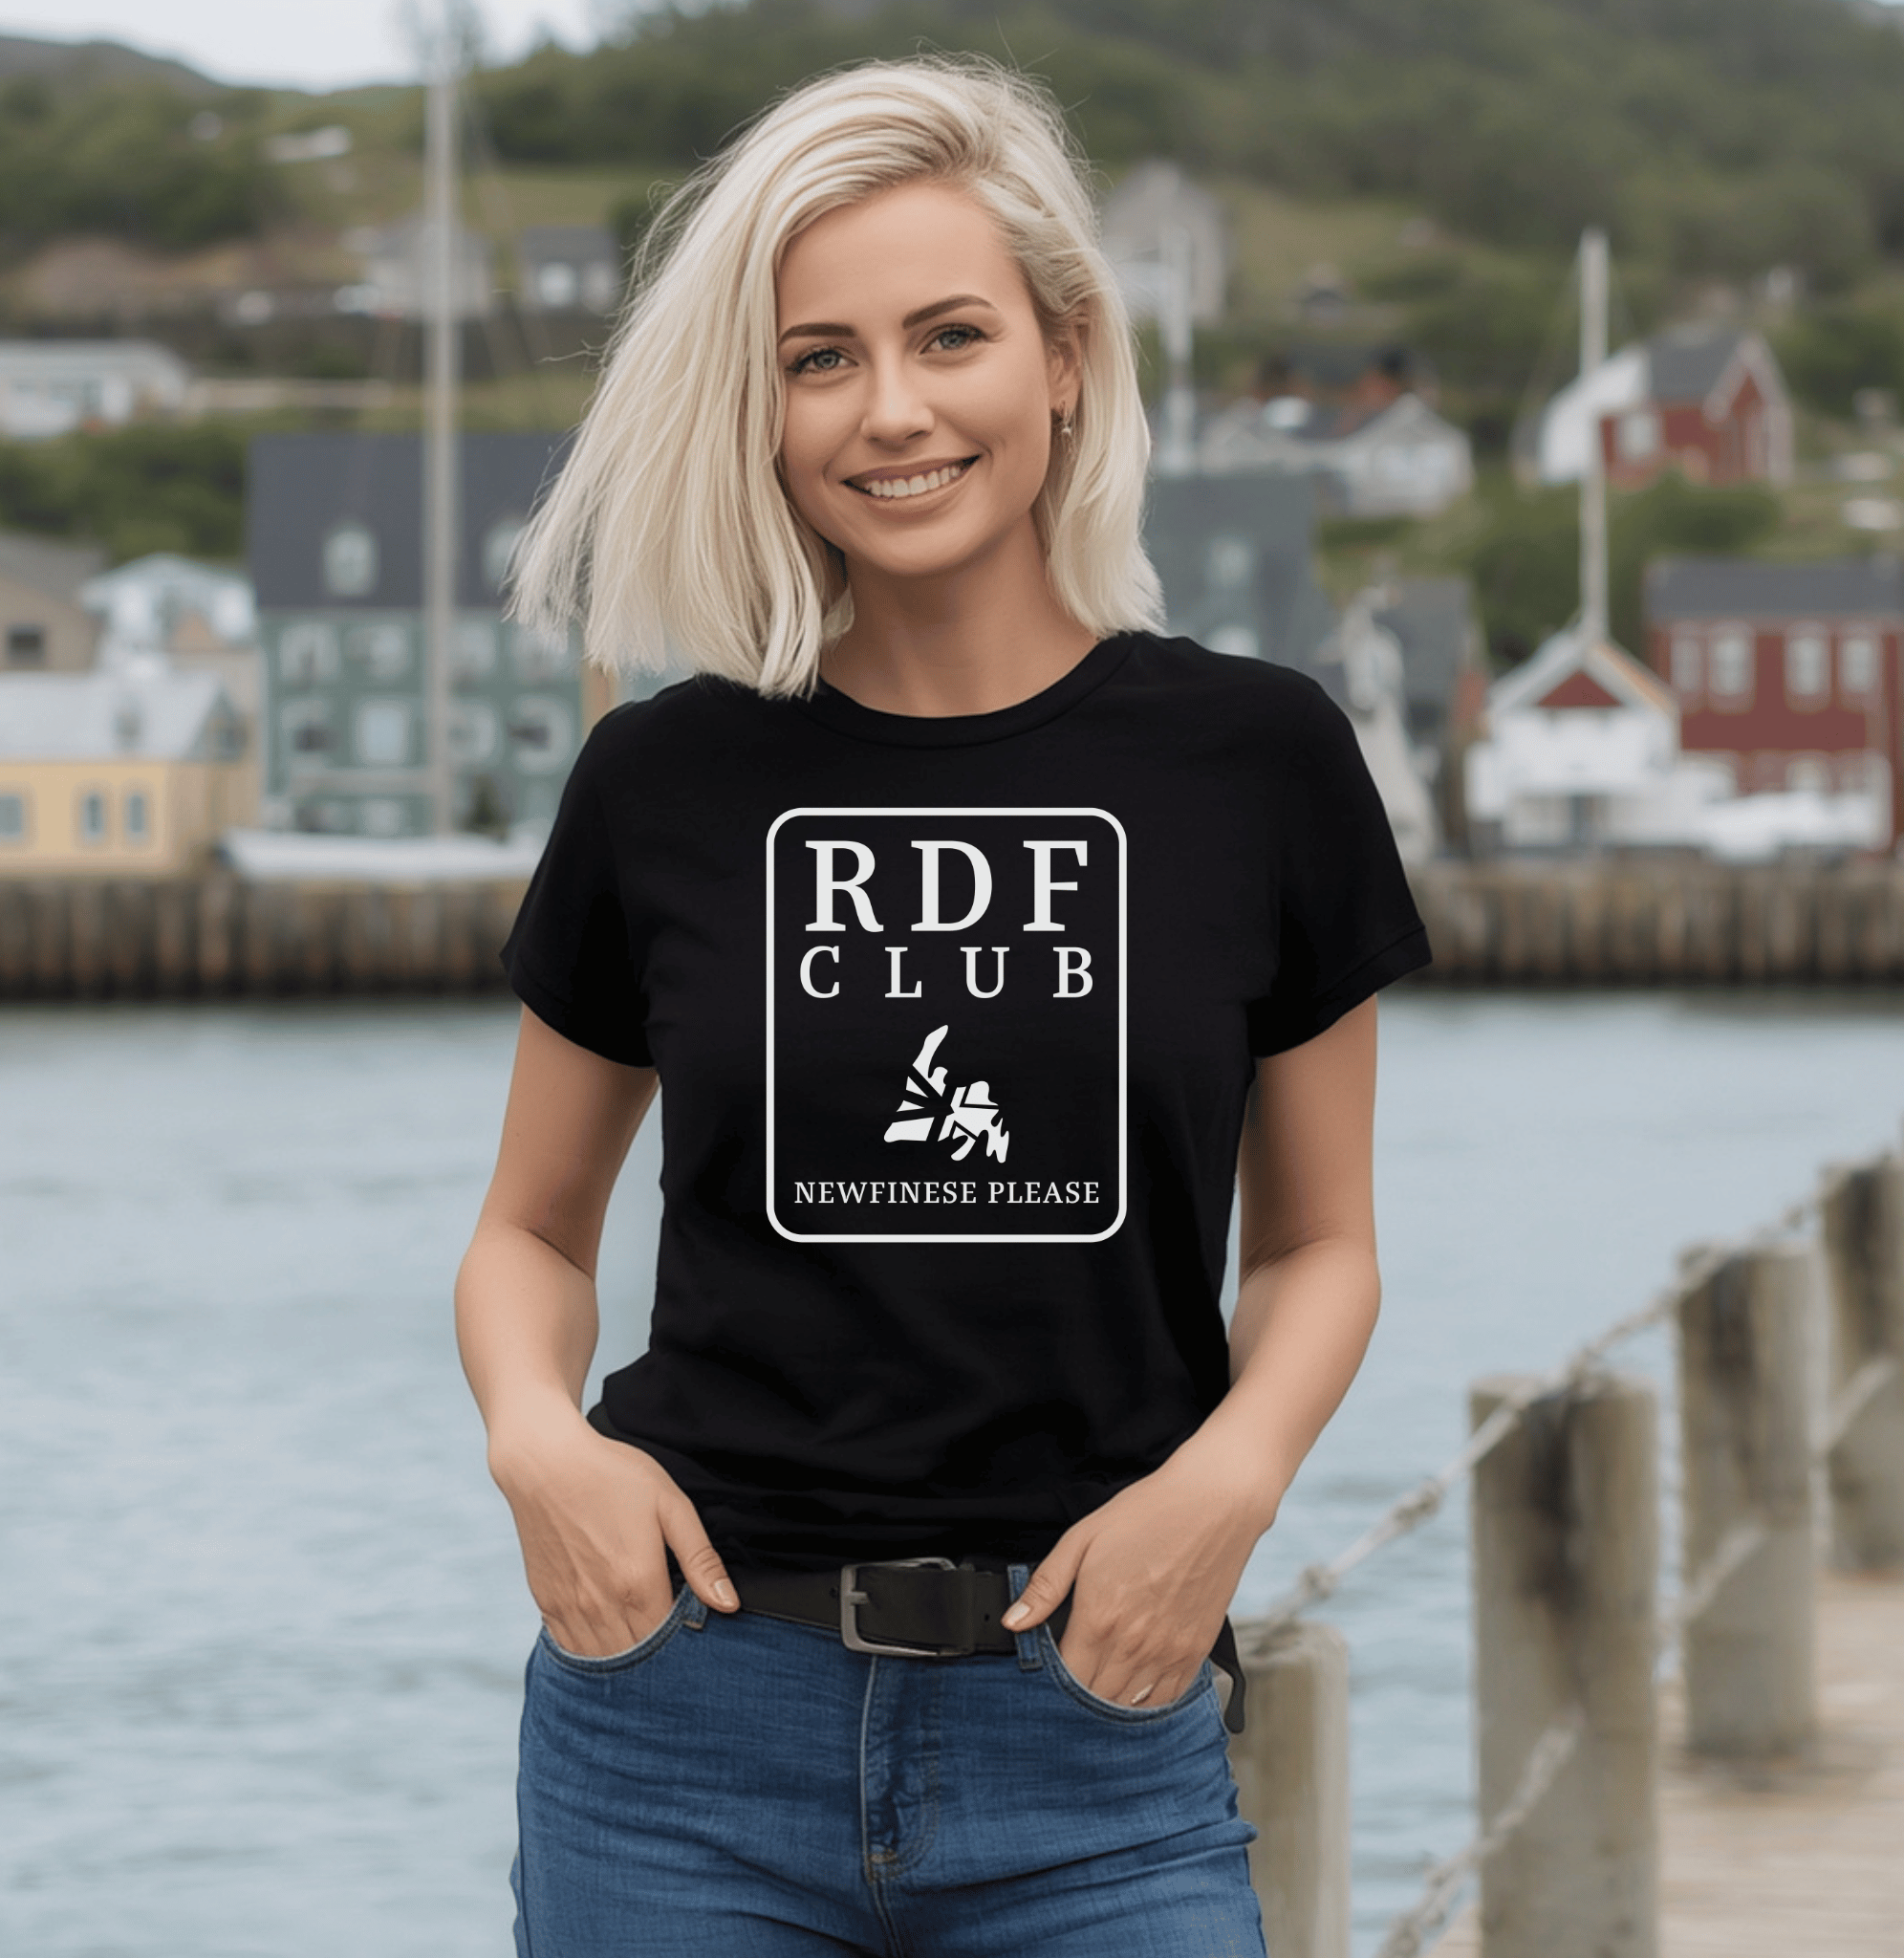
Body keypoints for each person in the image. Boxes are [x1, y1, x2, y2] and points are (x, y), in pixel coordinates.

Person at [455, 55, 1431, 1958]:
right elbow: (528, 1229)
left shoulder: (1257, 758)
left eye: (949, 336)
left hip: (1091, 1722)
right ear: (762, 407)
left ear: (1065, 357)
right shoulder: (661, 781)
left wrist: (1223, 1489)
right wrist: (537, 1444)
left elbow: (1317, 1243)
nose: (888, 410)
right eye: (818, 358)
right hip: (680, 1730)